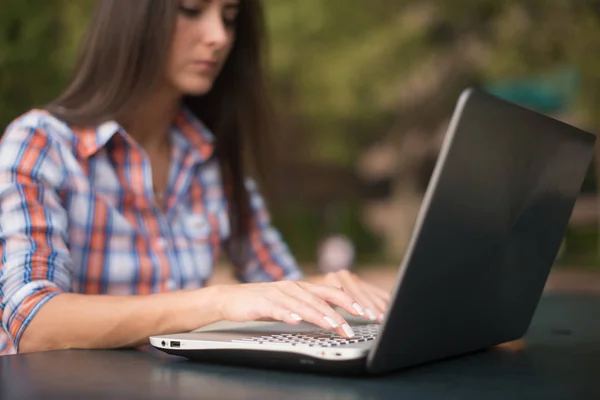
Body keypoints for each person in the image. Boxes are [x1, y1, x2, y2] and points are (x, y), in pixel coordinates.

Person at [0, 0, 390, 356]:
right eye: (191, 9)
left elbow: (276, 282)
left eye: (230, 18)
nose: (219, 36)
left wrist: (329, 292)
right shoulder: (40, 144)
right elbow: (32, 321)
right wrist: (216, 302)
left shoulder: (210, 160)